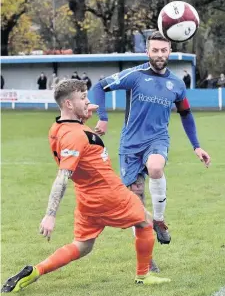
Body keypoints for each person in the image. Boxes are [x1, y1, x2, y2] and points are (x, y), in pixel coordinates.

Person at [1, 79, 170, 293]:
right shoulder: (74, 136)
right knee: (146, 222)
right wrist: (50, 214)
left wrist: (84, 115)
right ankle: (143, 275)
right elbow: (63, 175)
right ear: (69, 104)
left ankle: (35, 271)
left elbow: (78, 138)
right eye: (83, 98)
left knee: (83, 245)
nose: (88, 102)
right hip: (108, 193)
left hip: (86, 198)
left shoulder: (59, 127)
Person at [92, 31, 211, 246]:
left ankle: (159, 219)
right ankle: (146, 257)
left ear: (170, 52)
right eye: (155, 50)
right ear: (147, 51)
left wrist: (197, 146)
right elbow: (99, 87)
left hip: (157, 139)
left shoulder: (176, 85)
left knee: (156, 167)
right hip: (130, 145)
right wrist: (103, 117)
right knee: (136, 208)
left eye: (163, 50)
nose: (159, 54)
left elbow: (186, 114)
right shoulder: (134, 75)